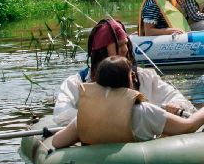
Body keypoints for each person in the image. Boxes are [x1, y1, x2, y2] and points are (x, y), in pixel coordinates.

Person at [50, 56, 204, 148]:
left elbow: (58, 142)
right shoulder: (144, 111)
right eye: (131, 75)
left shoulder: (85, 115)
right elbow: (189, 126)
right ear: (128, 81)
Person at [52, 17, 193, 127]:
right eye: (119, 45)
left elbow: (178, 99)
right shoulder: (77, 83)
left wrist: (176, 105)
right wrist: (106, 120)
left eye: (126, 43)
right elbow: (62, 114)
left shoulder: (144, 77)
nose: (125, 49)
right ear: (101, 52)